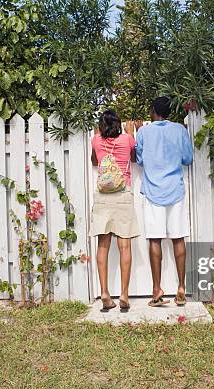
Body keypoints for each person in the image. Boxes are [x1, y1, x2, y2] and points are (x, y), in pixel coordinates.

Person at [135, 96, 193, 307]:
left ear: (153, 111)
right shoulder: (179, 130)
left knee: (155, 240)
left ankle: (156, 290)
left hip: (153, 193)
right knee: (178, 238)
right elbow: (188, 159)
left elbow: (140, 160)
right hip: (175, 191)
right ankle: (181, 287)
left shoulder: (143, 132)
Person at [89, 109, 140, 313]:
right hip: (122, 194)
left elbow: (95, 161)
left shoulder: (96, 140)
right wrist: (132, 134)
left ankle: (104, 293)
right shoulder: (127, 139)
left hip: (102, 196)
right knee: (124, 246)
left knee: (103, 245)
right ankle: (124, 295)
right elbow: (135, 159)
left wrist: (98, 137)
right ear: (118, 124)